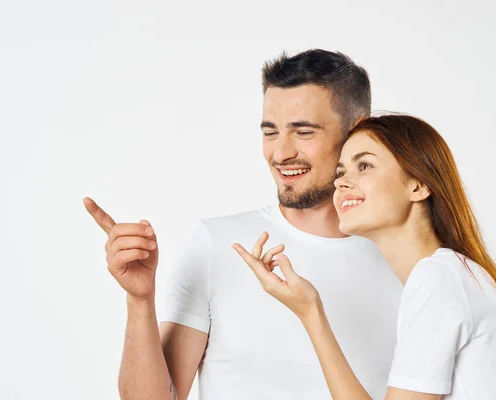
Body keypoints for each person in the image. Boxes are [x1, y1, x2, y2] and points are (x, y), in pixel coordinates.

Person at [83, 50, 402, 400]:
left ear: (357, 131)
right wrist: (139, 300)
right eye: (271, 132)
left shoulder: (407, 263)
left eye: (303, 131)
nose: (281, 153)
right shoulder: (216, 244)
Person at [234, 114, 496, 399]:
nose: (340, 182)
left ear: (418, 185)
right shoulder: (452, 274)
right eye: (341, 172)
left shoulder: (438, 278)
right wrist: (310, 310)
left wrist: (310, 314)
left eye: (364, 166)